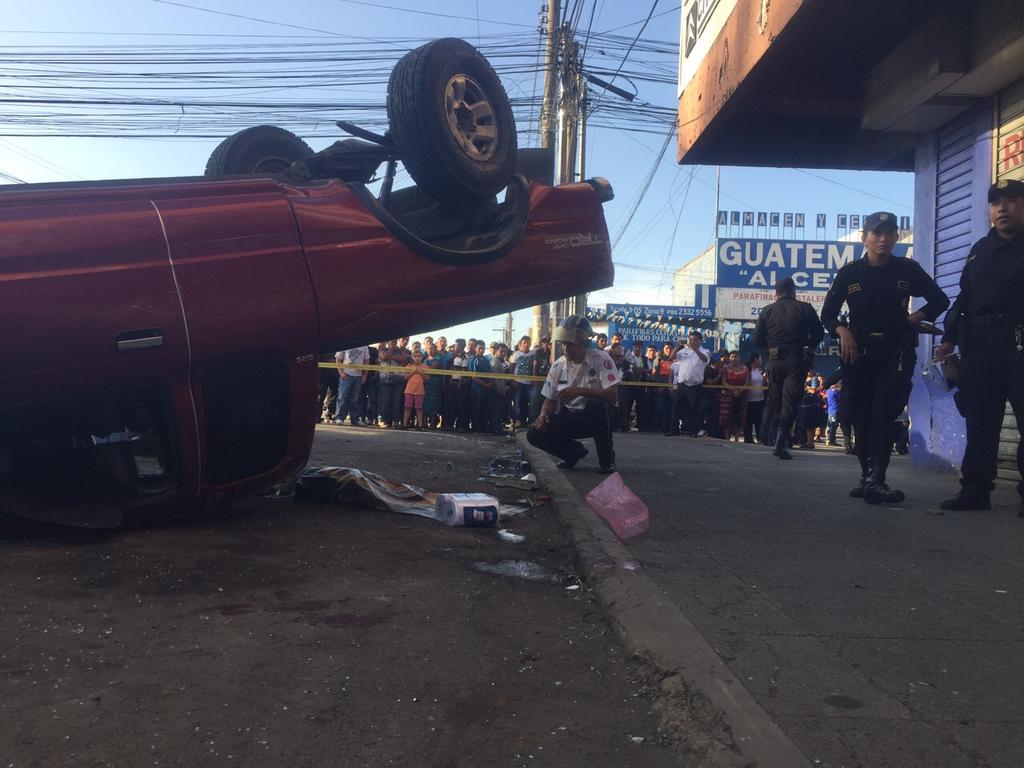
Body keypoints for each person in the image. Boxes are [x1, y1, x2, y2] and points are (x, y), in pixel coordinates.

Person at [822, 211, 949, 504]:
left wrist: (912, 320)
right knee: (860, 415)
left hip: (896, 352)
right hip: (858, 353)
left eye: (890, 233)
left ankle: (877, 479)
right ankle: (867, 476)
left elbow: (940, 300)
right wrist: (843, 332)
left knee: (883, 414)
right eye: (877, 233)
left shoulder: (907, 270)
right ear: (864, 238)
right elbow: (827, 314)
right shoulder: (850, 273)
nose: (883, 239)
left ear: (896, 237)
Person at [938, 179, 1024, 514]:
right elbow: (965, 298)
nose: (1002, 208)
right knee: (980, 421)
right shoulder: (980, 250)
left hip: (1018, 343)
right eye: (995, 203)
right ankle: (975, 490)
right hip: (980, 347)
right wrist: (948, 337)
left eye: (1012, 200)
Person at [528, 315, 620, 473]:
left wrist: (581, 391)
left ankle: (607, 461)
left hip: (601, 417)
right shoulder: (557, 366)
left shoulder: (601, 359)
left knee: (595, 405)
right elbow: (549, 400)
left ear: (584, 343)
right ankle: (573, 453)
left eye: (571, 344)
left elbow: (613, 396)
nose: (566, 348)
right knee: (534, 434)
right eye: (564, 344)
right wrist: (543, 415)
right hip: (572, 415)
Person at [753, 277, 825, 460]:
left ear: (775, 294)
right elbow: (818, 333)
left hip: (774, 361)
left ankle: (774, 438)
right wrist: (807, 345)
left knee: (775, 401)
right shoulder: (805, 308)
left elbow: (756, 339)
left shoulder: (767, 311)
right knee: (790, 402)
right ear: (793, 291)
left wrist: (770, 347)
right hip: (796, 360)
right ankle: (780, 440)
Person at [334, 344, 369, 426]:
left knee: (355, 398)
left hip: (358, 376)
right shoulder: (345, 342)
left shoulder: (364, 346)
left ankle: (355, 419)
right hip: (346, 374)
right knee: (342, 396)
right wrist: (341, 373)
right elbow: (338, 359)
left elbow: (366, 361)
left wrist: (364, 375)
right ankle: (339, 417)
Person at [509, 335, 534, 428]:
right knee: (517, 403)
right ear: (520, 344)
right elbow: (511, 368)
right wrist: (512, 381)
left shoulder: (533, 354)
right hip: (518, 382)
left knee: (530, 403)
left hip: (529, 383)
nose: (526, 344)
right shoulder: (516, 355)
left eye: (528, 343)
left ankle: (526, 421)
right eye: (524, 343)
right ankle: (517, 421)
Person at [744, 353, 766, 444]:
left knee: (759, 420)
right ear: (755, 359)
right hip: (749, 399)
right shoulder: (747, 369)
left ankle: (759, 438)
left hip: (760, 399)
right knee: (748, 420)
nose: (761, 360)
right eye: (760, 358)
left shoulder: (759, 370)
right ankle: (748, 438)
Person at [402, 350, 427, 429]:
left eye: (419, 356)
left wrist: (420, 372)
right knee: (407, 407)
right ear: (412, 358)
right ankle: (404, 424)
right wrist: (413, 372)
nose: (417, 358)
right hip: (409, 390)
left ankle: (419, 425)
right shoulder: (409, 366)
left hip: (420, 391)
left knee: (419, 408)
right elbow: (405, 377)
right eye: (415, 356)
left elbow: (427, 378)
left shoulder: (425, 367)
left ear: (422, 358)